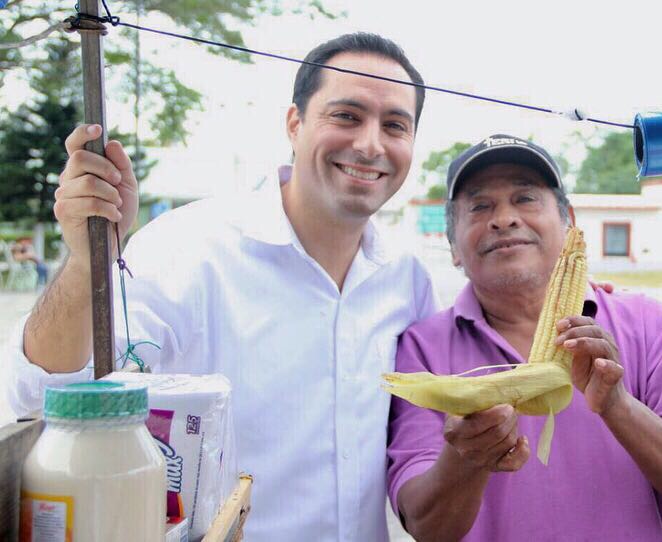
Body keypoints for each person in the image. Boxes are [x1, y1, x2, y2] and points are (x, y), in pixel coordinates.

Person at [6, 33, 436, 541]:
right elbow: (47, 394)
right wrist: (86, 265)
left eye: (394, 125)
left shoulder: (408, 279)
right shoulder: (188, 246)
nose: (370, 144)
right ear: (294, 124)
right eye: (346, 116)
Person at [386, 135, 662, 542]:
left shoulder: (649, 324)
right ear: (453, 247)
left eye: (526, 198)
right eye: (480, 206)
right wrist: (466, 458)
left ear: (569, 223)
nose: (504, 218)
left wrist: (617, 405)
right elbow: (425, 525)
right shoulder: (421, 348)